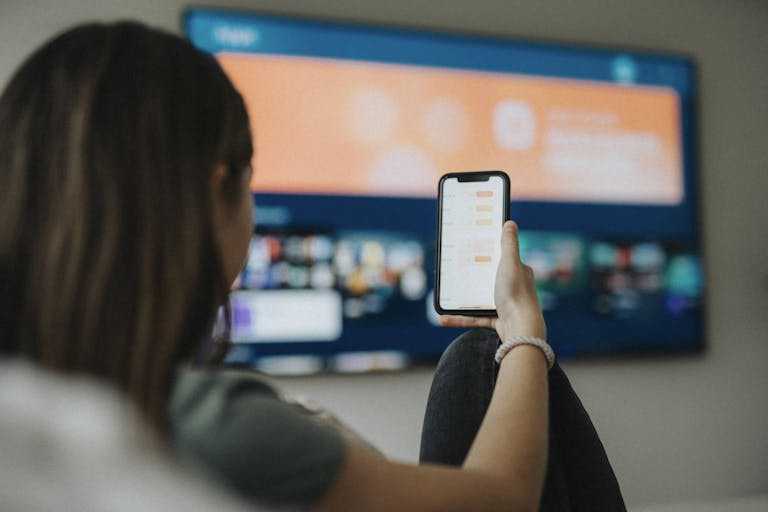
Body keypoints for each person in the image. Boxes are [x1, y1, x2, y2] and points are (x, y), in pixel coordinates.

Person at [0, 21, 625, 511]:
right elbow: (500, 501)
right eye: (249, 182)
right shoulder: (218, 424)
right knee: (476, 357)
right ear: (216, 190)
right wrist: (524, 334)